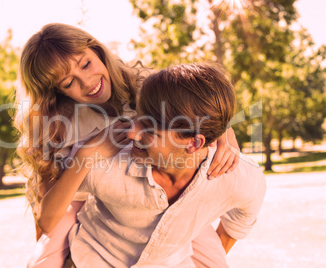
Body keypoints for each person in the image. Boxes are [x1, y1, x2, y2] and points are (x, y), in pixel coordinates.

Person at [15, 23, 240, 267]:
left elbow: (204, 110)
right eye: (69, 83)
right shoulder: (55, 124)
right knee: (41, 263)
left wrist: (226, 138)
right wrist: (89, 152)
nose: (88, 82)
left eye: (86, 64)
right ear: (55, 91)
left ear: (98, 51)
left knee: (213, 259)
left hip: (157, 196)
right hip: (86, 203)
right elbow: (47, 219)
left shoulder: (146, 85)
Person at [43, 63, 266, 267]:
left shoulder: (237, 176)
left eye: (149, 130)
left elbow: (242, 217)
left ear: (194, 143)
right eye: (137, 117)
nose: (132, 132)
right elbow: (48, 214)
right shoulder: (104, 163)